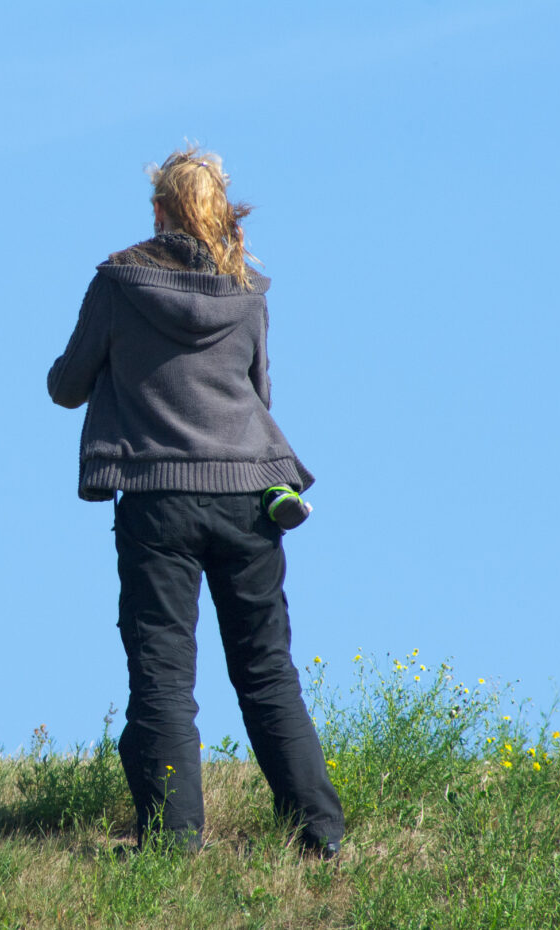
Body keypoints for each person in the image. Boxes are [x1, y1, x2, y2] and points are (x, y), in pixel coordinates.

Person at [46, 147, 344, 857]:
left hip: (159, 500)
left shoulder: (119, 281)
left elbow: (67, 385)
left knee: (163, 674)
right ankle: (319, 835)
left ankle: (173, 844)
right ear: (220, 211)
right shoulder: (249, 293)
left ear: (159, 209)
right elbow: (258, 392)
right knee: (267, 670)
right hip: (249, 496)